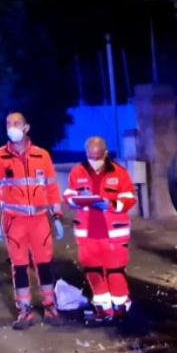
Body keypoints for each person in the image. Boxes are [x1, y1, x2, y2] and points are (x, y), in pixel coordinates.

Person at [0, 112, 65, 329]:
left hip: (40, 220)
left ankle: (50, 306)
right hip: (14, 221)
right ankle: (25, 310)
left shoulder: (42, 156)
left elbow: (51, 187)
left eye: (16, 123)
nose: (12, 127)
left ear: (26, 127)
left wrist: (57, 216)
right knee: (19, 266)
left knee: (44, 264)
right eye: (9, 124)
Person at [64, 136, 137, 323]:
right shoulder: (77, 171)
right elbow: (69, 195)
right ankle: (104, 309)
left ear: (105, 154)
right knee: (93, 271)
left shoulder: (119, 173)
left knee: (115, 272)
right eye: (90, 157)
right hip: (88, 234)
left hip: (113, 234)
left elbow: (129, 199)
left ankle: (121, 308)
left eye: (97, 157)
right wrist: (77, 199)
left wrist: (110, 204)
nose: (94, 162)